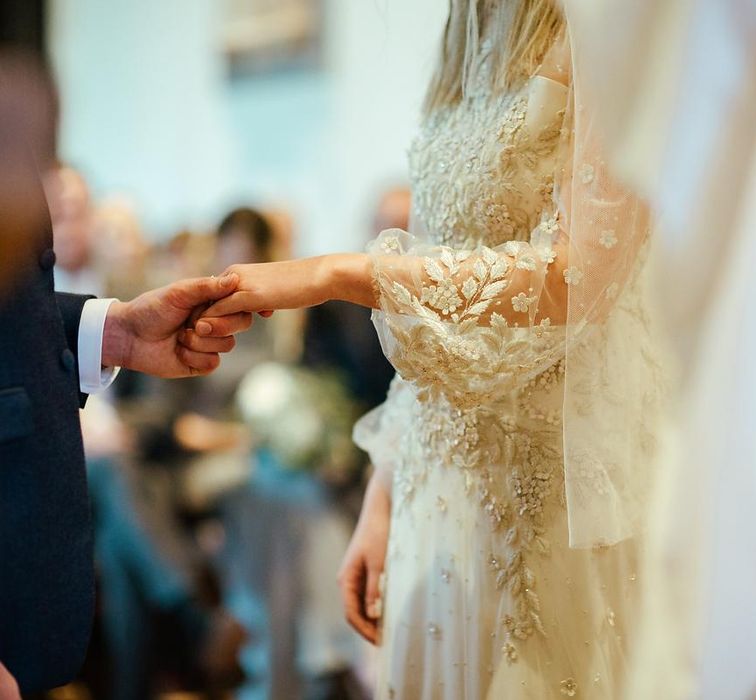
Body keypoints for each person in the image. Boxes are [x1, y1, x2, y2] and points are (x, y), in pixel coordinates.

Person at [197, 1, 667, 697]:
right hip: (434, 490)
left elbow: (579, 277)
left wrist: (340, 274)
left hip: (545, 499)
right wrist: (383, 494)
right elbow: (435, 321)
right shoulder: (463, 34)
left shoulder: (602, 23)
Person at [0, 88, 252, 695]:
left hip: (116, 460)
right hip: (64, 464)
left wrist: (110, 332)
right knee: (112, 492)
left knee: (115, 537)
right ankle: (195, 618)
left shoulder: (120, 285)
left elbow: (20, 326)